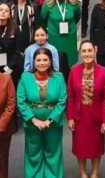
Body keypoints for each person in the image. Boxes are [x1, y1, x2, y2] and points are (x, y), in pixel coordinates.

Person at [17, 47, 68, 178]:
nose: (42, 62)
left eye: (45, 59)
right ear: (33, 62)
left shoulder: (59, 77)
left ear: (50, 62)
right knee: (33, 154)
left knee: (53, 153)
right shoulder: (25, 77)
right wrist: (34, 120)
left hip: (53, 124)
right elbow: (21, 101)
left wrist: (49, 120)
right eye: (38, 60)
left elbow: (62, 101)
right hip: (32, 123)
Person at [67, 40, 105, 178]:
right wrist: (70, 117)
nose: (87, 54)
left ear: (95, 51)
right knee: (81, 147)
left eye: (89, 50)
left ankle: (95, 173)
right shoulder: (74, 70)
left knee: (96, 147)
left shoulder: (104, 71)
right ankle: (84, 173)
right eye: (84, 51)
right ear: (80, 53)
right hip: (79, 115)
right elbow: (71, 96)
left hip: (96, 115)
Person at [41, 0, 81, 77]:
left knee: (69, 63)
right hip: (54, 37)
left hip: (69, 37)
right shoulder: (48, 3)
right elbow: (43, 19)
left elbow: (77, 17)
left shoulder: (73, 2)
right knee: (55, 62)